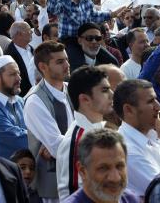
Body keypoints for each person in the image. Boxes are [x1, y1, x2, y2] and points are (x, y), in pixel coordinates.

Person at [23, 41, 75, 203]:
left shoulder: (69, 89)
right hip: (53, 186)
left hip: (76, 178)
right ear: (43, 67)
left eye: (66, 60)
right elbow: (58, 147)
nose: (67, 65)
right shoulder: (35, 101)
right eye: (59, 62)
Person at [56, 66, 112, 200]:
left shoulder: (104, 129)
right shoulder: (75, 142)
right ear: (85, 99)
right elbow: (70, 195)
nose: (112, 94)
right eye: (104, 90)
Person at [114, 80, 160, 198]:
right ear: (128, 109)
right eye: (151, 101)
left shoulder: (155, 135)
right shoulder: (127, 152)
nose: (159, 107)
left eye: (156, 100)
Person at [64, 128, 139, 203]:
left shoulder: (131, 199)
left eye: (119, 166)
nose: (115, 178)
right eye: (103, 168)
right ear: (82, 171)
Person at [5, 21, 36, 97]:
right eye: (29, 30)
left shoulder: (32, 49)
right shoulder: (9, 56)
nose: (31, 32)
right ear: (19, 34)